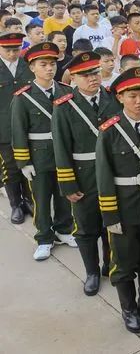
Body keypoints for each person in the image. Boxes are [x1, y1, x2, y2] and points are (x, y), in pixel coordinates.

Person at [95, 66, 140, 333]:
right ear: (120, 97)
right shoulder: (110, 131)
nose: (139, 101)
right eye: (132, 96)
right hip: (124, 207)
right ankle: (128, 308)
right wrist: (110, 216)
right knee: (123, 262)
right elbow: (103, 175)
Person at [52, 50, 118, 295]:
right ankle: (91, 271)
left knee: (112, 222)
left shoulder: (113, 98)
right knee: (87, 227)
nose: (92, 78)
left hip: (113, 173)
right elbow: (60, 146)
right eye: (85, 75)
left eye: (95, 72)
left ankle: (110, 264)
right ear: (74, 78)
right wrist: (68, 184)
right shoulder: (65, 106)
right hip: (84, 175)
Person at [11, 42, 75, 261]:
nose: (49, 68)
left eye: (53, 64)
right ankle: (44, 237)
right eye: (43, 64)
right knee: (41, 197)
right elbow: (18, 130)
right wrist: (23, 162)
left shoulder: (66, 91)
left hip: (64, 154)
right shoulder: (23, 96)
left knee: (64, 194)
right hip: (38, 156)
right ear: (32, 67)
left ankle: (64, 230)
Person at [0, 32, 34, 224]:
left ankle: (29, 200)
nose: (13, 54)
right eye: (8, 50)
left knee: (28, 165)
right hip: (4, 128)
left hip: (28, 126)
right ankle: (15, 204)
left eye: (16, 49)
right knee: (10, 167)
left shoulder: (27, 65)